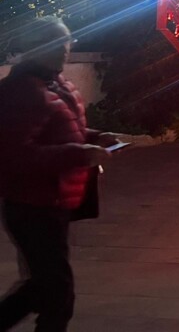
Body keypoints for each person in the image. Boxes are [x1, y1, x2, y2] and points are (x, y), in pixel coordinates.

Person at [0, 17, 120, 332]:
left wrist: (95, 137)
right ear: (38, 48)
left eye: (68, 42)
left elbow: (64, 130)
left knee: (45, 287)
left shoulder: (54, 82)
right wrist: (77, 154)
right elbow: (13, 154)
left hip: (52, 203)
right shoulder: (21, 91)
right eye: (59, 43)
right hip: (32, 206)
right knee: (56, 294)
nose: (67, 49)